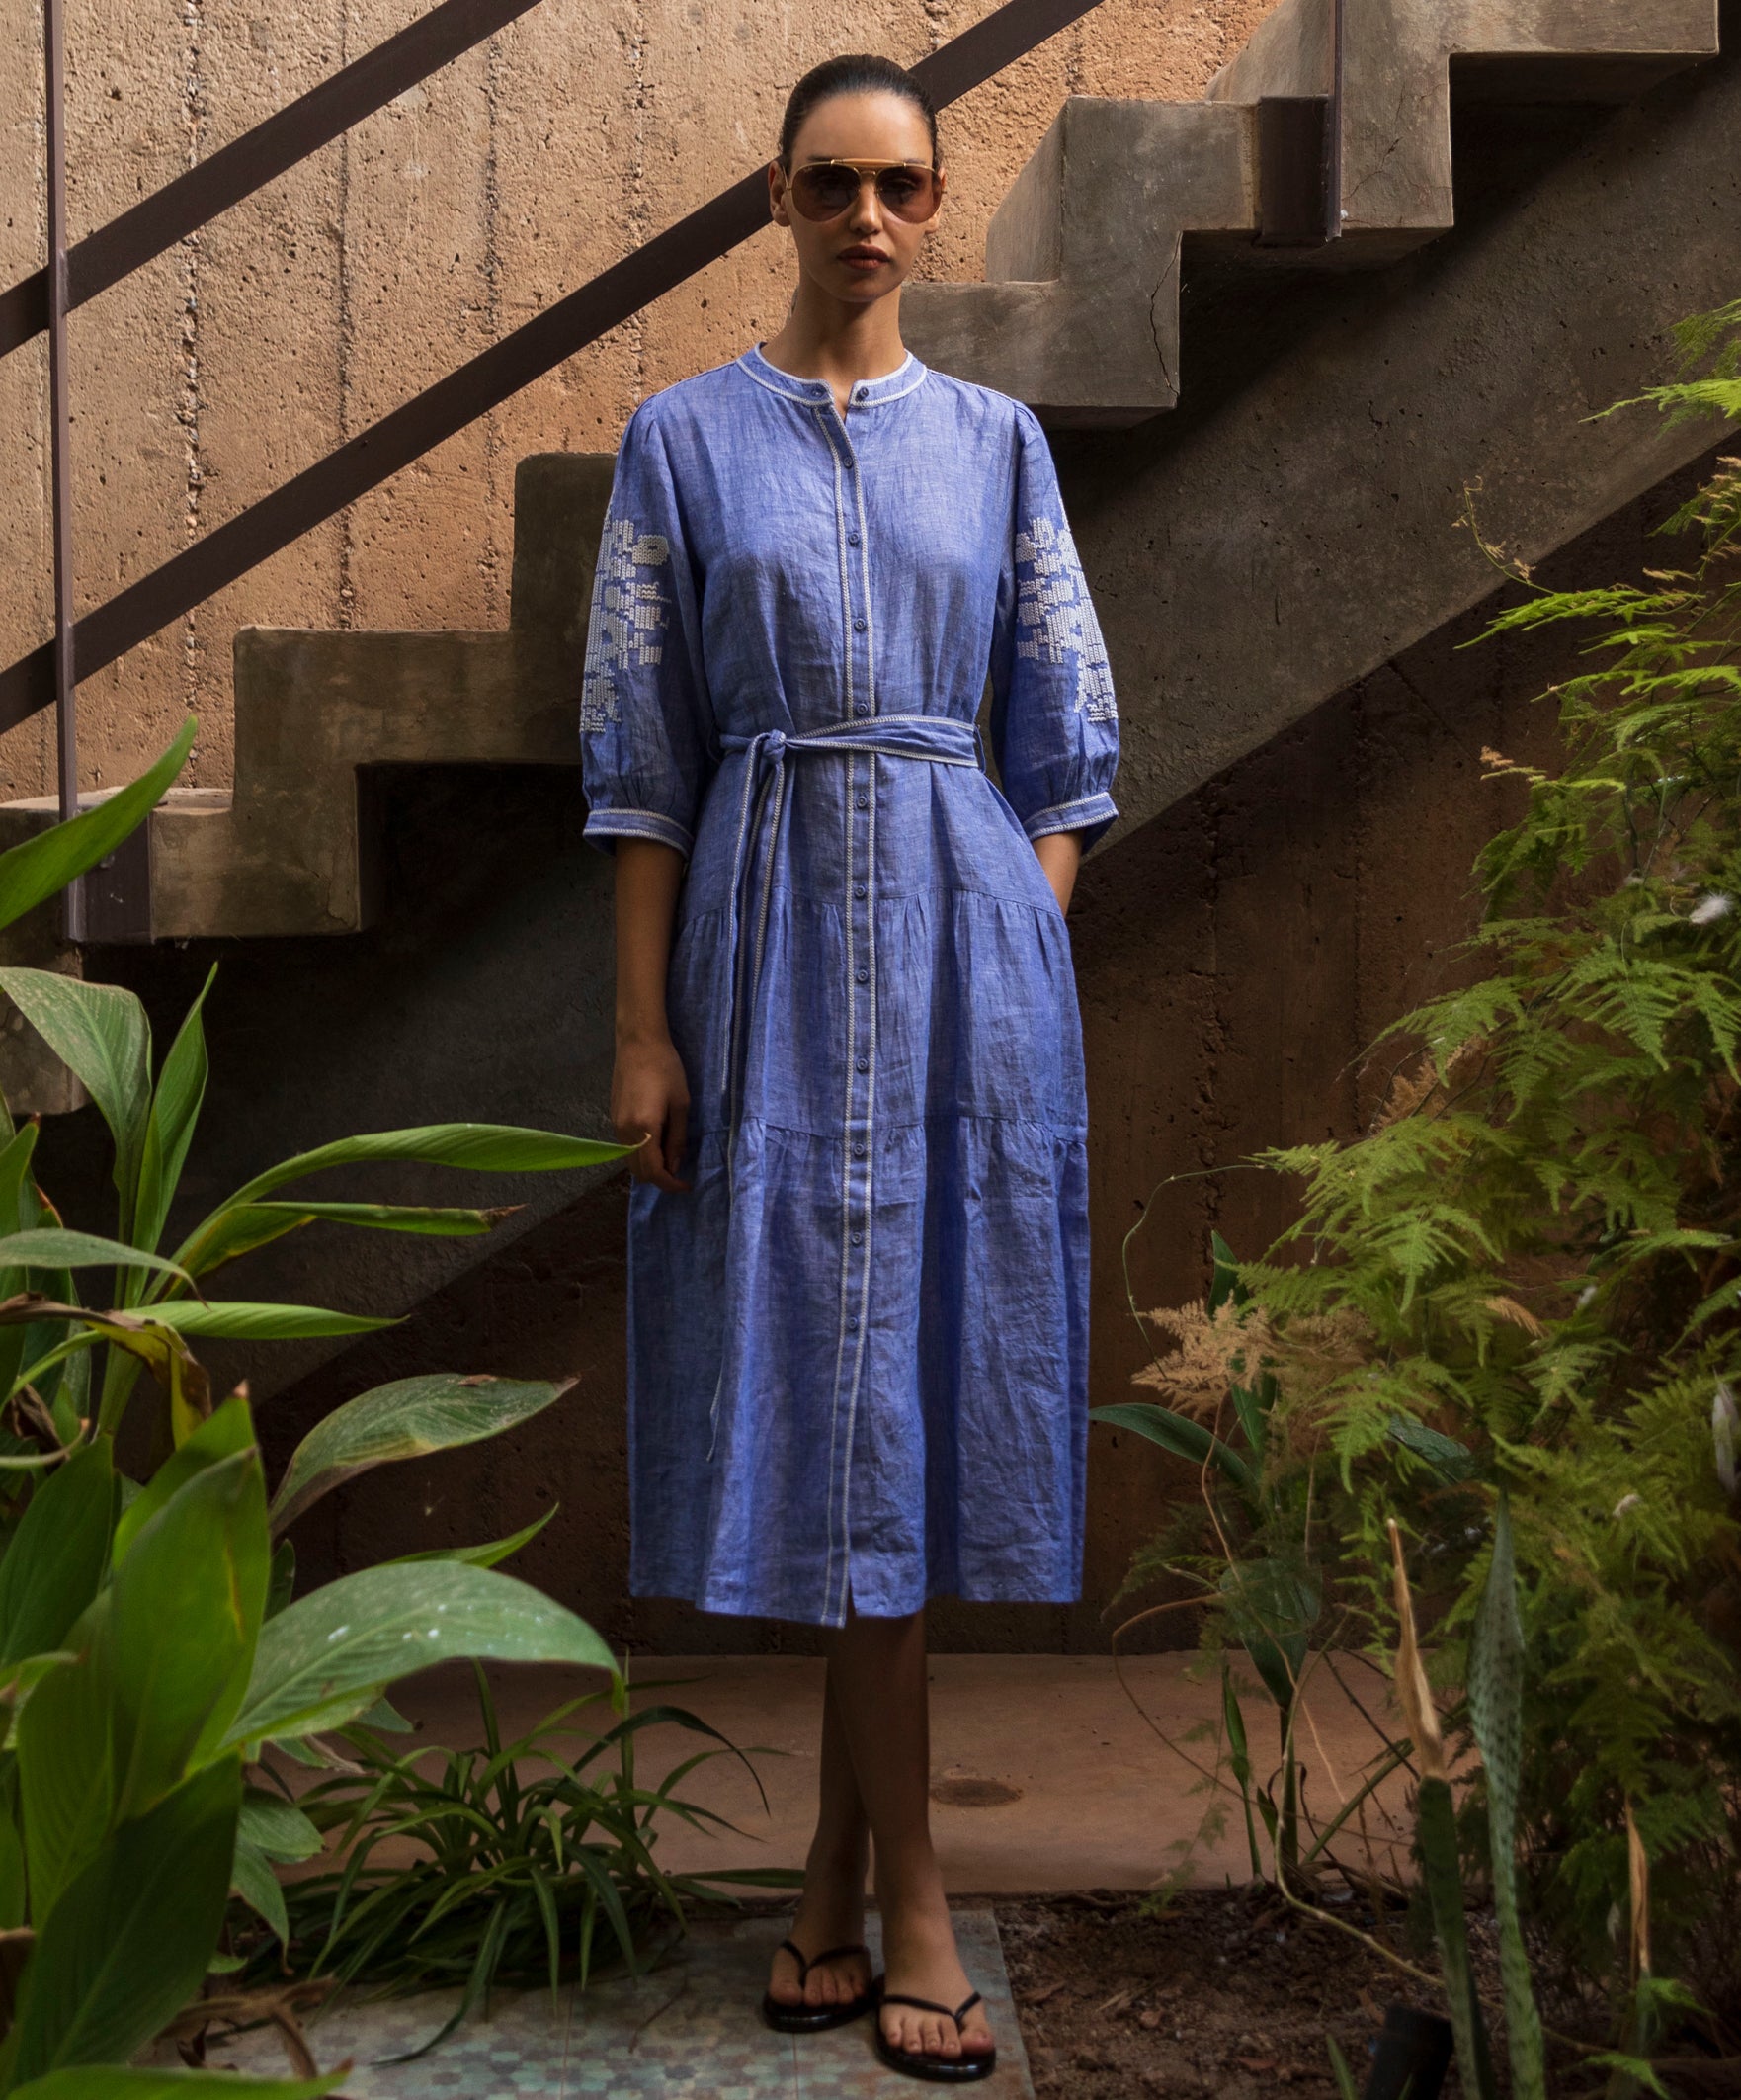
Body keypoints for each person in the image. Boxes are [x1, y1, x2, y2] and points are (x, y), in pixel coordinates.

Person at [579, 50, 1119, 2084]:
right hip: (761, 964)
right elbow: (638, 765)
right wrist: (640, 1028)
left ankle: (876, 1882)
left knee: (905, 1398)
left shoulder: (996, 445)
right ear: (778, 200)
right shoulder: (674, 446)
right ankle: (882, 1880)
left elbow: (1069, 735)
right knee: (823, 1397)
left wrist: (1008, 916)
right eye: (830, 183)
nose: (866, 217)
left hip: (965, 975)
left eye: (898, 184)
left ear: (937, 198)